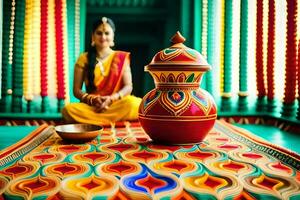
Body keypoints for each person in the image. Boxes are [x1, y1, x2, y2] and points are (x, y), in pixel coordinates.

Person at [62, 17, 142, 125]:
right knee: (68, 110)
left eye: (107, 33)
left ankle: (95, 122)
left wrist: (111, 99)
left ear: (113, 35)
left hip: (115, 104)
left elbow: (128, 86)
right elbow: (76, 90)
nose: (103, 37)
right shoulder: (84, 58)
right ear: (93, 36)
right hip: (92, 106)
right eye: (99, 33)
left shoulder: (121, 57)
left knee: (135, 104)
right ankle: (112, 121)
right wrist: (92, 99)